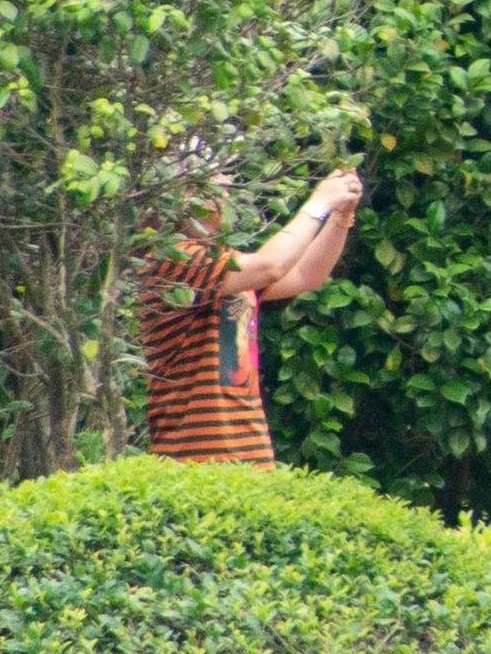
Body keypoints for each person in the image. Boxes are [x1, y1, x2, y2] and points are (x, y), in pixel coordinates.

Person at [141, 165, 366, 464]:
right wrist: (318, 204)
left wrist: (339, 218)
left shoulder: (224, 263)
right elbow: (271, 265)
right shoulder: (171, 259)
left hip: (250, 455)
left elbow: (305, 274)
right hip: (195, 459)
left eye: (224, 188)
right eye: (211, 188)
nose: (224, 196)